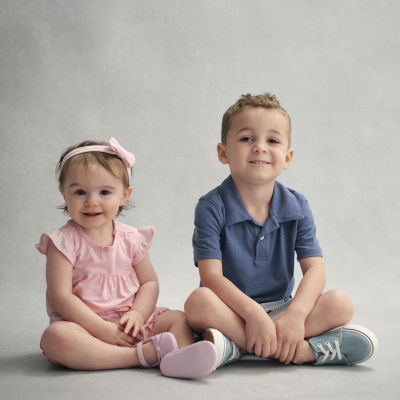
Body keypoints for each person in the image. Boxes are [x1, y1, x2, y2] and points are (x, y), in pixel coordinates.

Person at [184, 93, 378, 369]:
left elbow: (315, 270)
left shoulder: (297, 205)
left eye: (272, 141)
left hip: (281, 308)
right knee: (198, 302)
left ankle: (237, 347)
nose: (260, 147)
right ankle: (304, 350)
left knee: (340, 303)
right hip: (231, 310)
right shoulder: (211, 207)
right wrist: (252, 314)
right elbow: (211, 277)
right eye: (246, 138)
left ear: (287, 157)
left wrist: (296, 315)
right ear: (223, 152)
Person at [36, 137, 217, 379]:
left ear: (124, 195)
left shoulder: (131, 238)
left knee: (177, 319)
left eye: (104, 192)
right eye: (80, 192)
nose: (91, 201)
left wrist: (138, 314)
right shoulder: (63, 243)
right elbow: (61, 297)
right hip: (87, 328)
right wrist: (103, 329)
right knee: (56, 338)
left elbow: (149, 282)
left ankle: (181, 357)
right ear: (64, 193)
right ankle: (139, 356)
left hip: (131, 324)